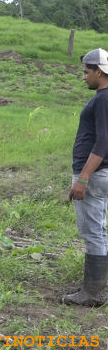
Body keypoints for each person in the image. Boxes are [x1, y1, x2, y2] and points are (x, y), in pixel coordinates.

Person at [63, 48, 108, 306]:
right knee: (99, 229)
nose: (84, 77)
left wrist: (83, 177)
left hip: (94, 174)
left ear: (98, 71)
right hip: (100, 173)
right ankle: (96, 285)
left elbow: (103, 141)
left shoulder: (103, 99)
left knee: (92, 231)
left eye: (86, 72)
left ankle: (93, 293)